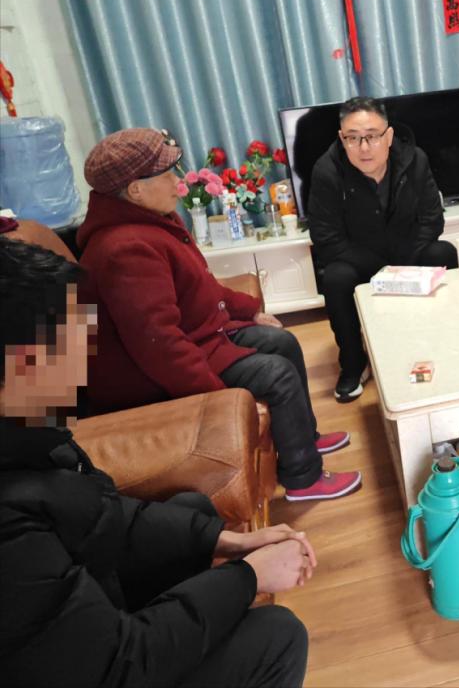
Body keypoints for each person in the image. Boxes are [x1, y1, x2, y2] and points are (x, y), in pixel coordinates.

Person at [0, 237, 312, 687]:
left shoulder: (30, 431)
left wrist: (228, 541)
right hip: (102, 665)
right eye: (72, 345)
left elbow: (101, 513)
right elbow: (118, 665)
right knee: (277, 637)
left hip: (81, 620)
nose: (85, 364)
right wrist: (247, 578)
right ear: (25, 364)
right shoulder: (11, 528)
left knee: (194, 513)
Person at [77, 128, 360, 502]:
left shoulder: (152, 223)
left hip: (198, 337)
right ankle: (303, 480)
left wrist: (249, 310)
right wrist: (218, 399)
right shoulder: (124, 249)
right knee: (275, 374)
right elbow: (159, 346)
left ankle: (303, 439)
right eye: (167, 174)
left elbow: (200, 287)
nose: (177, 182)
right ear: (135, 190)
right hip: (148, 376)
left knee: (281, 342)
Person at [308, 96, 457, 403]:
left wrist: (404, 265)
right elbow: (326, 238)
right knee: (335, 277)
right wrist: (381, 272)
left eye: (372, 136)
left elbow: (432, 219)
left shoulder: (415, 160)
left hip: (408, 254)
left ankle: (447, 342)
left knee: (442, 252)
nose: (364, 147)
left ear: (388, 136)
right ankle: (353, 362)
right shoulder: (326, 171)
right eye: (353, 138)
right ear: (342, 139)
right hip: (359, 262)